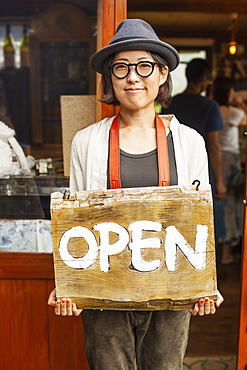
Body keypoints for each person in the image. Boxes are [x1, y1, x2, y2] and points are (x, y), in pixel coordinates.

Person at [48, 19, 223, 370]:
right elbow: (78, 219)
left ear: (161, 75)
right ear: (110, 78)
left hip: (170, 288)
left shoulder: (189, 142)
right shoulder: (87, 141)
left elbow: (199, 217)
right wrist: (70, 285)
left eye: (144, 66)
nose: (133, 77)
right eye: (121, 68)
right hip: (104, 291)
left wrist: (205, 282)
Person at [162, 58, 226, 199]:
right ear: (204, 78)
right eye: (209, 79)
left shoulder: (170, 103)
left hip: (173, 166)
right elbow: (214, 146)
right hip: (202, 167)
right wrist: (220, 181)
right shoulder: (210, 106)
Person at [212, 76, 246, 264]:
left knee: (220, 206)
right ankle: (225, 255)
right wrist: (240, 102)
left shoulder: (212, 109)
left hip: (215, 160)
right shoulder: (232, 112)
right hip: (229, 162)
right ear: (229, 93)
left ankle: (218, 255)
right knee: (231, 207)